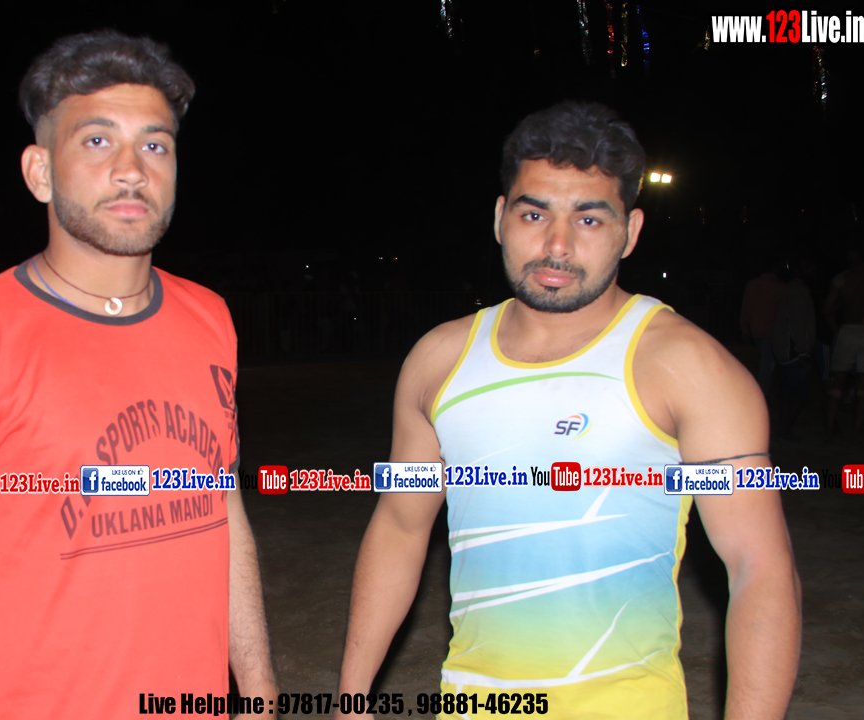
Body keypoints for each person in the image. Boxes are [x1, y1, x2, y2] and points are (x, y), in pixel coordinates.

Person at [336, 102, 800, 719]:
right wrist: (351, 698)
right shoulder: (438, 361)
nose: (557, 245)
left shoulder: (689, 367)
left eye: (589, 219)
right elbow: (400, 524)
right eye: (534, 214)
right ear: (500, 218)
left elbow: (759, 569)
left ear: (630, 231)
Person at [0, 30, 276, 720]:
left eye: (155, 145)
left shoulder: (211, 319)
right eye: (96, 141)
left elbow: (223, 513)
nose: (131, 170)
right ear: (39, 172)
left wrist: (260, 694)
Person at [824, 242, 864, 440]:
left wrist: (837, 331)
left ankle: (829, 432)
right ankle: (857, 435)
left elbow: (827, 309)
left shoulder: (843, 278)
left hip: (848, 331)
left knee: (837, 383)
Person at [772, 257, 816, 441]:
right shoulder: (798, 290)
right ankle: (785, 429)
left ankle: (783, 428)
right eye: (808, 267)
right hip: (794, 351)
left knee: (788, 391)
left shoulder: (792, 288)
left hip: (786, 349)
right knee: (798, 393)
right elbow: (797, 322)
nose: (812, 271)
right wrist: (803, 350)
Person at [740, 257, 786, 396]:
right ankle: (761, 395)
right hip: (772, 331)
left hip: (756, 330)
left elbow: (746, 308)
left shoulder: (752, 284)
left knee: (766, 362)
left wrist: (745, 329)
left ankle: (763, 392)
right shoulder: (781, 287)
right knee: (767, 364)